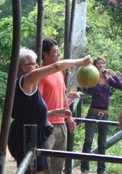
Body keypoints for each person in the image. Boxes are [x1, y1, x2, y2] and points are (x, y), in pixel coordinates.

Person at [8, 49, 92, 174]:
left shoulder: (27, 84)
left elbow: (28, 114)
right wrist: (81, 61)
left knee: (35, 170)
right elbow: (57, 66)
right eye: (33, 63)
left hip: (28, 131)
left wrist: (53, 113)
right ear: (23, 68)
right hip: (26, 134)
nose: (37, 66)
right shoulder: (28, 79)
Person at [81, 56, 122, 174]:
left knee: (102, 143)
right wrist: (94, 79)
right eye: (99, 64)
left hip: (105, 114)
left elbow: (121, 86)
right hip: (93, 113)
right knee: (88, 141)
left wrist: (114, 75)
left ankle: (101, 170)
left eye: (103, 63)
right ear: (95, 66)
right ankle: (85, 169)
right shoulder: (93, 78)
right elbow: (88, 91)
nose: (101, 66)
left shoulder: (109, 80)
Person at [39, 38, 76, 174]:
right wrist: (47, 120)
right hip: (47, 124)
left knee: (58, 164)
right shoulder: (40, 74)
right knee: (44, 164)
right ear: (45, 54)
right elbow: (38, 100)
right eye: (55, 52)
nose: (58, 54)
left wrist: (69, 117)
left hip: (61, 124)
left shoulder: (59, 72)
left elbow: (62, 95)